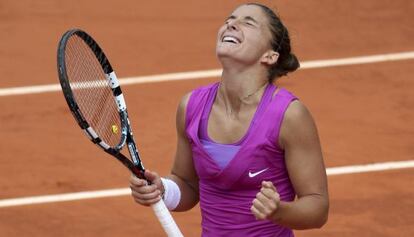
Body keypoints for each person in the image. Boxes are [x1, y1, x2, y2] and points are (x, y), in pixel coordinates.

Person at [130, 3, 329, 236]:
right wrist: (163, 190)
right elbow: (188, 184)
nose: (231, 24)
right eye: (229, 19)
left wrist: (279, 211)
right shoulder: (191, 107)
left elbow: (318, 207)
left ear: (270, 55)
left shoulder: (288, 116)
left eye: (248, 22)